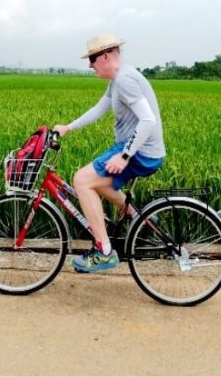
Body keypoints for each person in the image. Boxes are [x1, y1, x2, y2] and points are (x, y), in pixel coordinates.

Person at [54, 34, 165, 273]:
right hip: (136, 147)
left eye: (92, 58)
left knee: (82, 181)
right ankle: (141, 220)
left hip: (141, 152)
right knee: (99, 183)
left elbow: (148, 120)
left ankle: (104, 252)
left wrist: (124, 156)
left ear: (105, 56)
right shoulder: (118, 79)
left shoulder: (125, 79)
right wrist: (68, 128)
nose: (90, 65)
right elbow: (98, 109)